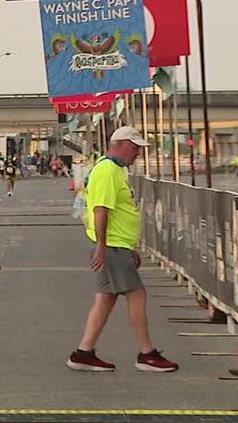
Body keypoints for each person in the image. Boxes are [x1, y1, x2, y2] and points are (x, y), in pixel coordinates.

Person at [67, 126, 178, 373]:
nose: (138, 152)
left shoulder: (115, 170)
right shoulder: (108, 170)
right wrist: (103, 247)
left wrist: (129, 247)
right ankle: (146, 353)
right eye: (134, 146)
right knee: (136, 294)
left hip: (116, 245)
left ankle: (84, 352)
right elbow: (101, 209)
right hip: (111, 246)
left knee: (106, 298)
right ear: (120, 144)